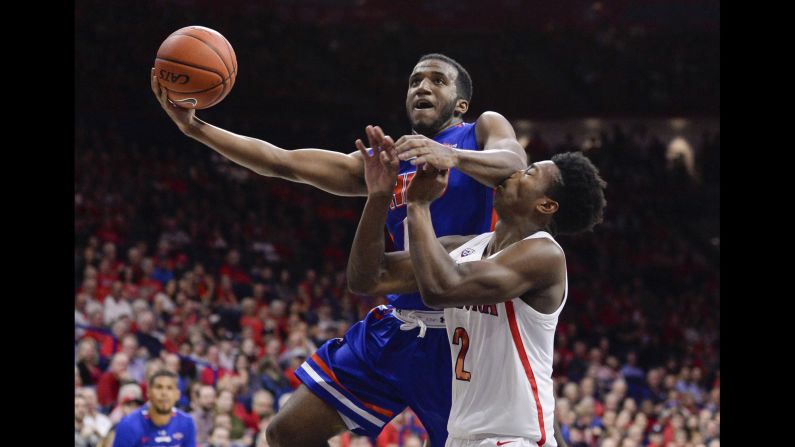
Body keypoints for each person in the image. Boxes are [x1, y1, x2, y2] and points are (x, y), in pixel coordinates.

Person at [152, 52, 526, 447]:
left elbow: (514, 160)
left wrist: (454, 156)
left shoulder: (480, 129)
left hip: (463, 333)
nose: (422, 87)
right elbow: (282, 162)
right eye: (415, 80)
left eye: (437, 80)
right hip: (397, 325)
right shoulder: (389, 162)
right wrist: (196, 129)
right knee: (287, 434)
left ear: (461, 103)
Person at [346, 140, 606, 446]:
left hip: (513, 438)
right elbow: (368, 278)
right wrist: (378, 196)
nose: (514, 173)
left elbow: (442, 288)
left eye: (529, 172)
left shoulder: (545, 255)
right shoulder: (466, 248)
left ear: (546, 205)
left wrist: (418, 205)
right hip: (462, 435)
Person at [113, 369, 196, 447]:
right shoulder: (128, 425)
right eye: (159, 387)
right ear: (148, 392)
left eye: (169, 388)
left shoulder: (187, 423)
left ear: (177, 395)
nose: (164, 393)